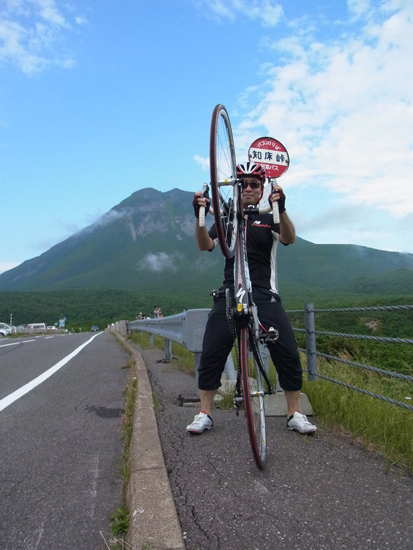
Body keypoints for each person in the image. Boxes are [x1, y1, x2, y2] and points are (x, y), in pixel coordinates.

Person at [187, 161, 317, 435]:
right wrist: (201, 215)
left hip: (263, 294)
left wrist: (281, 209)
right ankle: (204, 414)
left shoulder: (268, 217)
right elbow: (205, 245)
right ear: (237, 188)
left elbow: (288, 238)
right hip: (230, 292)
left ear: (261, 190)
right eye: (242, 184)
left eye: (254, 184)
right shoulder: (227, 221)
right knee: (212, 350)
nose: (248, 188)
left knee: (287, 351)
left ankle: (294, 413)